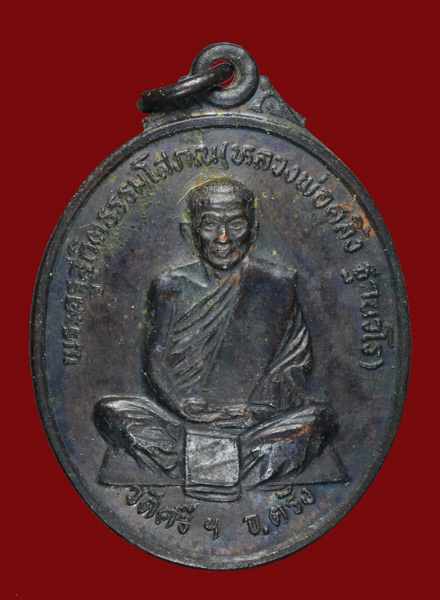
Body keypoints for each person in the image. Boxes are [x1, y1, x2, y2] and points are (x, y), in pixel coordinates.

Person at [94, 178, 337, 497]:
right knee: (110, 411)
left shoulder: (276, 285)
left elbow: (292, 368)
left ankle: (198, 460)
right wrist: (182, 406)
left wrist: (255, 412)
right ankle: (236, 461)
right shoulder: (170, 285)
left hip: (252, 423)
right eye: (210, 224)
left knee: (319, 419)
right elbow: (155, 363)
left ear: (254, 231)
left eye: (236, 224)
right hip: (183, 420)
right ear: (189, 232)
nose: (223, 238)